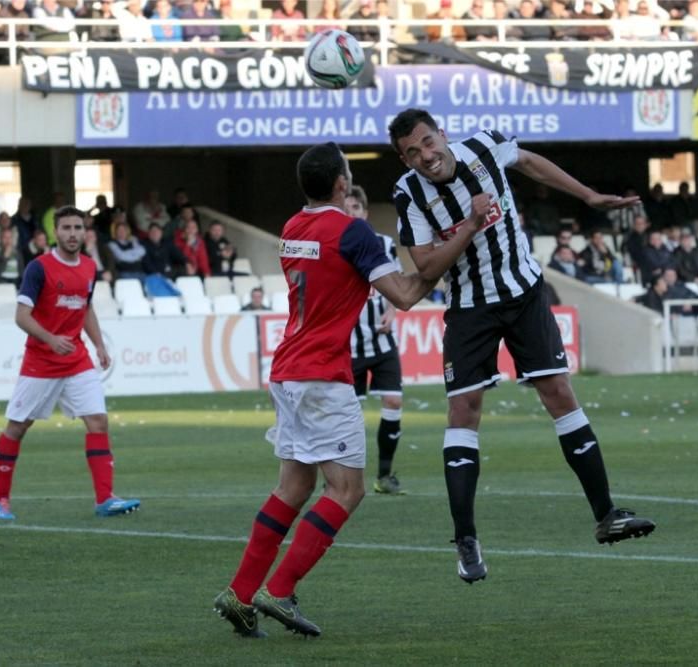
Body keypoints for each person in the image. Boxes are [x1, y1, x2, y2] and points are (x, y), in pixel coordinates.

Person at [387, 109, 656, 584]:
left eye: (429, 142)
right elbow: (426, 268)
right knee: (464, 411)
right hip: (470, 307)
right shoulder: (409, 193)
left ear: (442, 134)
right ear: (405, 159)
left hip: (525, 292)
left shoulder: (484, 147)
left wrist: (589, 195)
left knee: (559, 394)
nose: (426, 156)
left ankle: (606, 514)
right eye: (413, 152)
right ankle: (466, 540)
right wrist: (470, 224)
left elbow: (529, 162)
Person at [213, 143, 439, 639]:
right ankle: (281, 588)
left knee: (293, 486)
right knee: (348, 489)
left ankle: (241, 592)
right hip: (322, 376)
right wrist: (456, 243)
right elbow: (402, 296)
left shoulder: (293, 227)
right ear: (341, 184)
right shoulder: (353, 232)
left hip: (288, 370)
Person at [0, 206, 140, 522]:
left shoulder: (88, 267)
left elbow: (85, 309)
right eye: (67, 228)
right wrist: (51, 339)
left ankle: (105, 499)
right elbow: (21, 316)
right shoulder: (38, 268)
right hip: (41, 362)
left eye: (78, 227)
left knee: (98, 421)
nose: (73, 233)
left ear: (86, 232)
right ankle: (0, 500)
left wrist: (98, 344)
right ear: (56, 232)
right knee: (17, 428)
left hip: (77, 360)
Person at [344, 185, 406, 495]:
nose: (351, 212)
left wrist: (392, 311)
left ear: (365, 213)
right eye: (346, 207)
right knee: (349, 415)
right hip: (349, 346)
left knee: (393, 400)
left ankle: (384, 475)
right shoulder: (337, 247)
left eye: (356, 208)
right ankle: (345, 477)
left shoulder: (383, 244)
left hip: (382, 342)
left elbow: (396, 282)